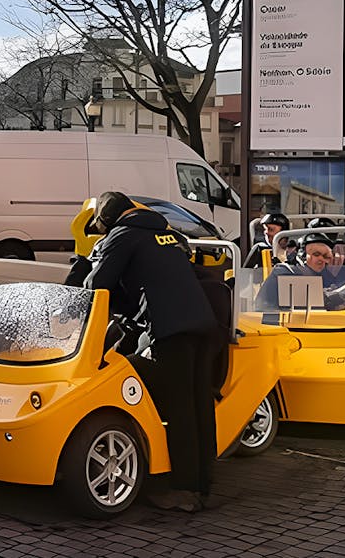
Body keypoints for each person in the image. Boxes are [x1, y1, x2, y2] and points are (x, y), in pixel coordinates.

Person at [84, 191, 220, 512]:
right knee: (199, 406)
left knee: (177, 407)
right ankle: (203, 485)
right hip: (202, 325)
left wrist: (92, 258)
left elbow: (95, 285)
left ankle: (184, 492)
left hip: (168, 329)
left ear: (108, 220)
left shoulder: (123, 234)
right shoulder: (166, 233)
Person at [256, 233, 345, 309]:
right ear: (302, 255)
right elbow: (263, 307)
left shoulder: (331, 275)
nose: (322, 260)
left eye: (326, 256)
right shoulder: (283, 274)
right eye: (316, 254)